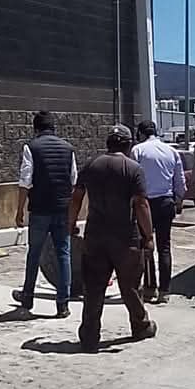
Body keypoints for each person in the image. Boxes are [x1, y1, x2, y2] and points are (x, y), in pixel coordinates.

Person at [68, 126, 156, 352]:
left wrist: (71, 224)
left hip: (95, 236)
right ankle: (140, 325)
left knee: (94, 289)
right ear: (128, 145)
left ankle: (89, 335)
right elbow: (141, 204)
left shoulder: (92, 165)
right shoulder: (133, 169)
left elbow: (76, 197)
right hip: (125, 237)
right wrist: (148, 235)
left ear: (108, 143)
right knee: (130, 287)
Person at [12, 110, 77, 318]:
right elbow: (73, 180)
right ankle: (63, 303)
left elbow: (25, 180)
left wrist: (20, 210)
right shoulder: (68, 148)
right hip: (62, 208)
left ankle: (28, 297)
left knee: (35, 253)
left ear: (36, 128)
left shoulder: (31, 147)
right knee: (63, 253)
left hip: (39, 209)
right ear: (53, 128)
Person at [133, 119, 187, 303]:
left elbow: (132, 178)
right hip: (166, 201)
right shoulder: (171, 151)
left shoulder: (138, 150)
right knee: (164, 246)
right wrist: (178, 199)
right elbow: (179, 180)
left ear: (140, 133)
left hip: (145, 203)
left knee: (146, 243)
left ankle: (150, 288)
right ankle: (165, 291)